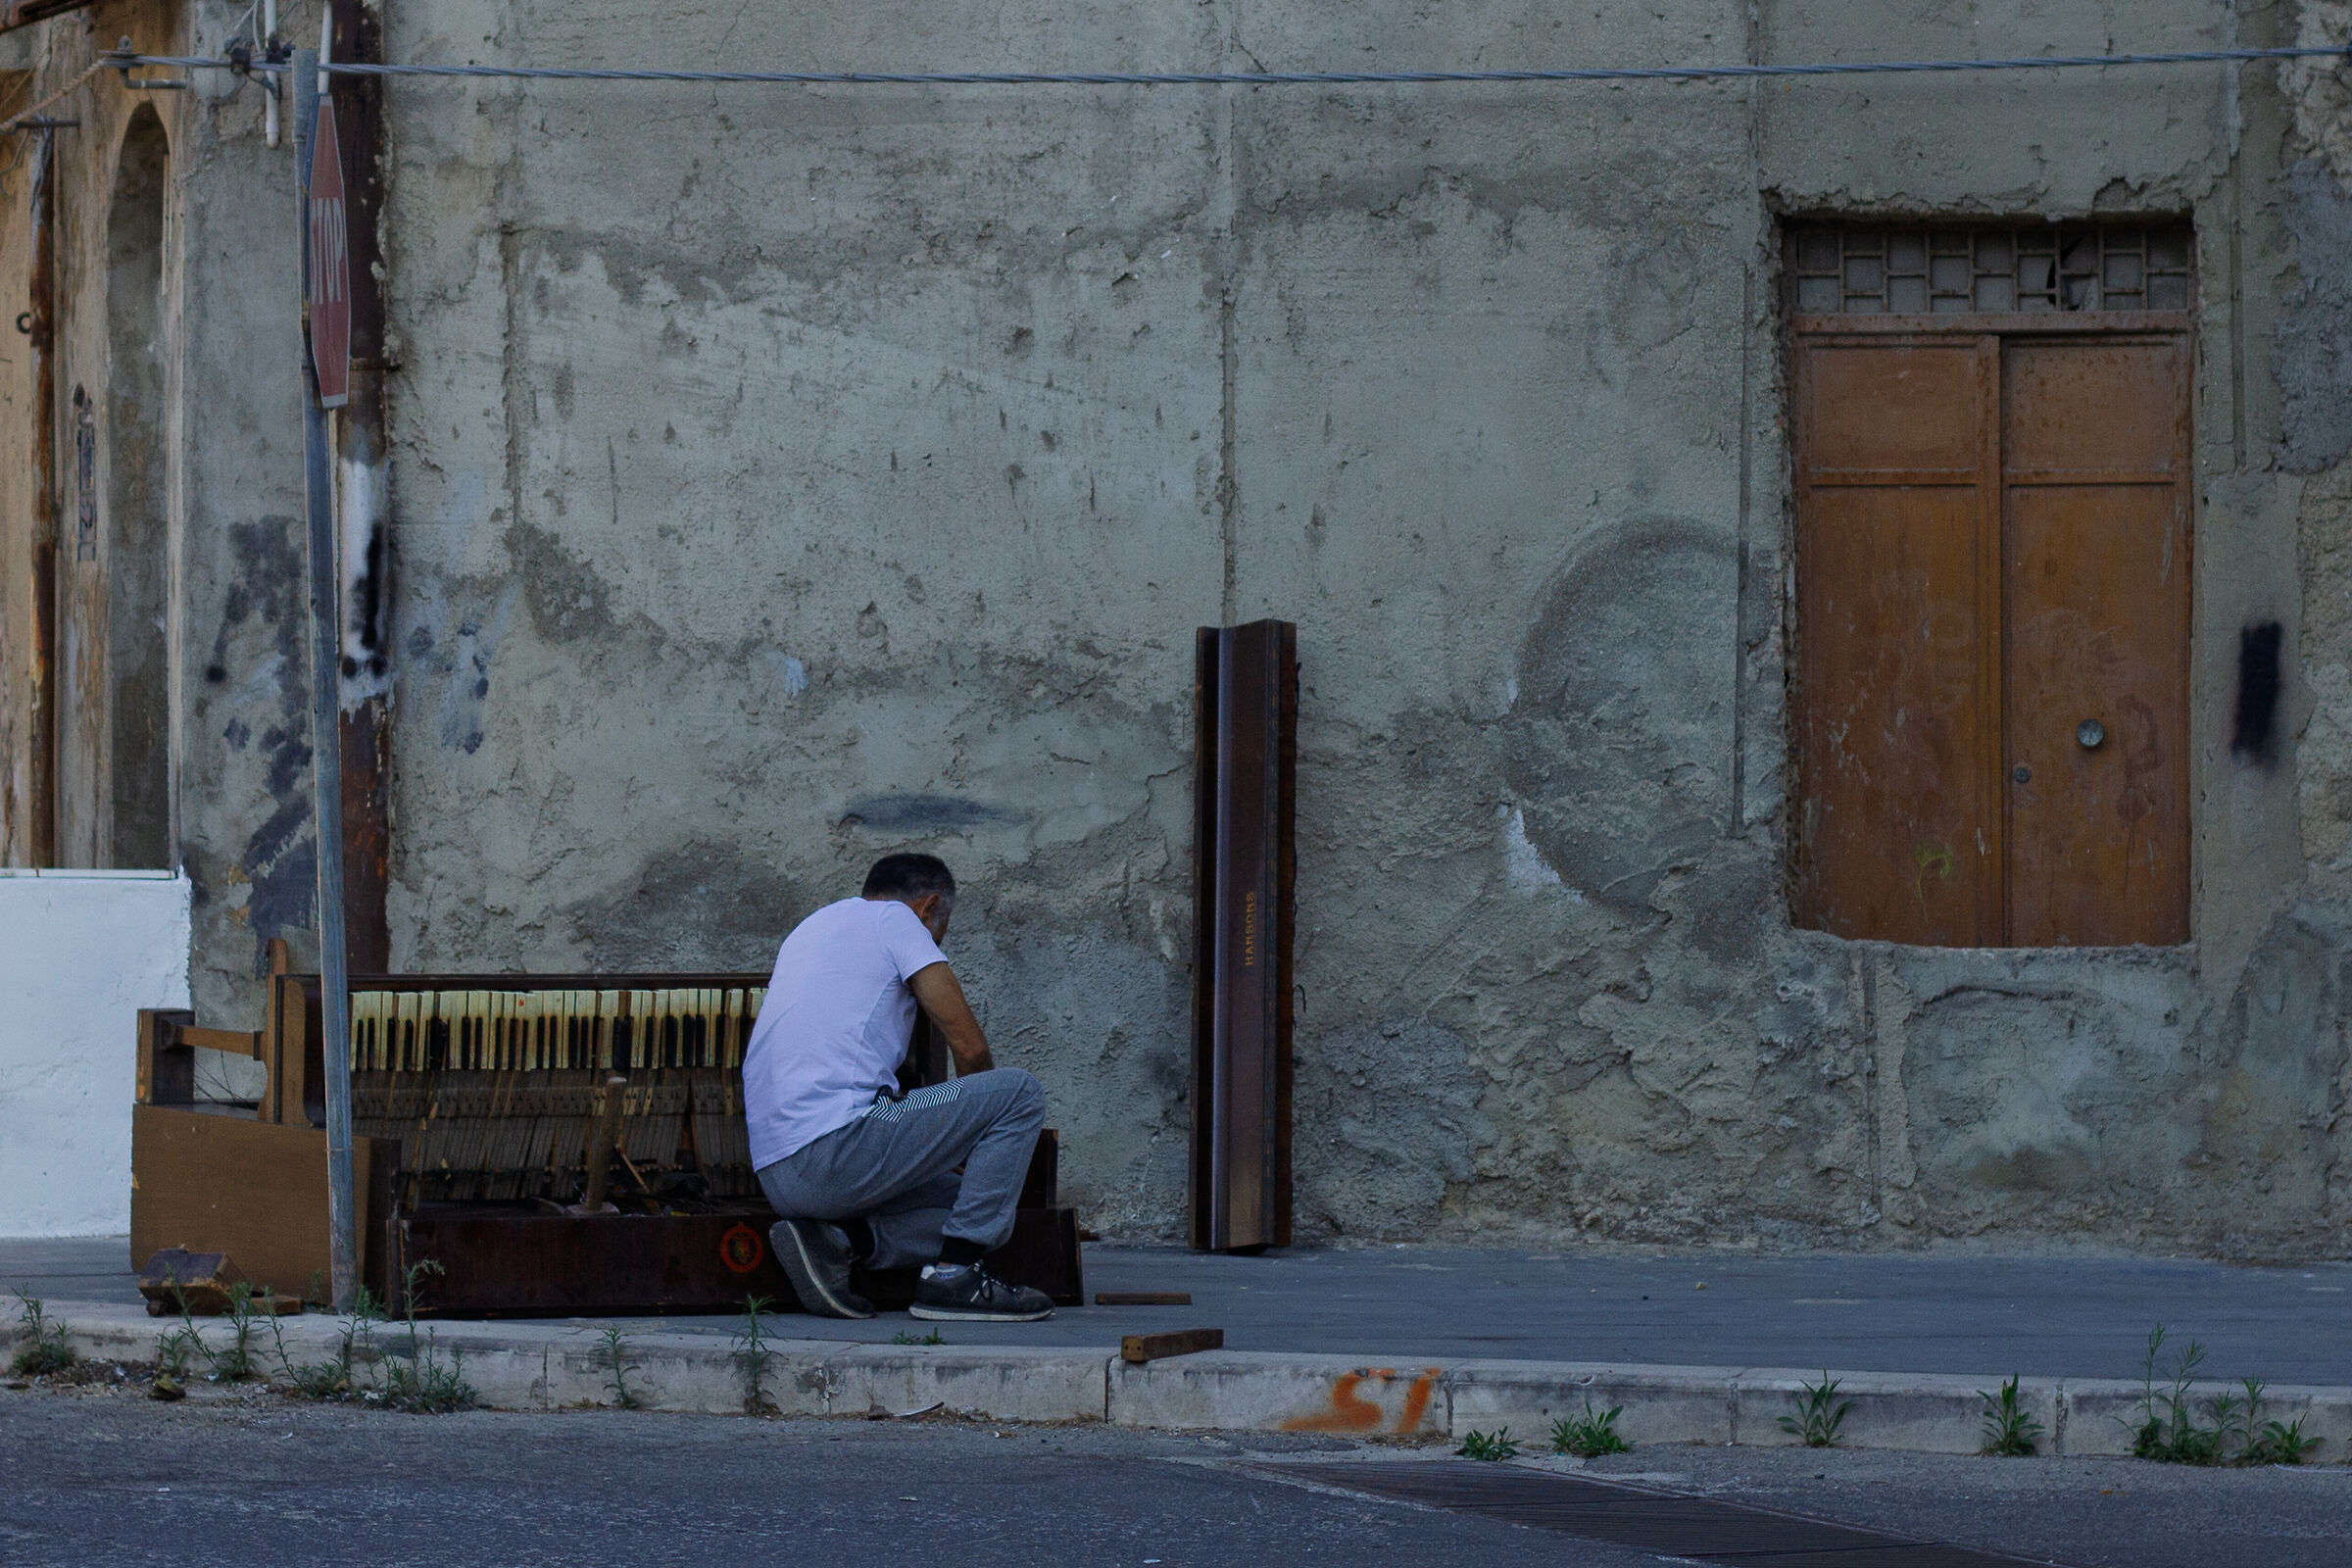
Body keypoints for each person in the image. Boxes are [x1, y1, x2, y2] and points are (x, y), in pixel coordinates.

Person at [744, 853, 1054, 1322]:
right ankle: (956, 1277)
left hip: (780, 1176)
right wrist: (968, 1134)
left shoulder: (813, 927)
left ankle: (838, 1244)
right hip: (838, 1144)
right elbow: (969, 1049)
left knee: (980, 1204)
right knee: (1017, 1091)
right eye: (942, 927)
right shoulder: (899, 922)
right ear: (929, 906)